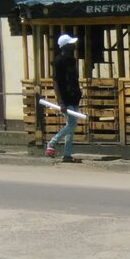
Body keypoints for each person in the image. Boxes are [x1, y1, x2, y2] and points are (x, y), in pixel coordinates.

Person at [45, 34, 82, 163]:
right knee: (72, 124)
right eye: (71, 44)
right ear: (65, 46)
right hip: (65, 98)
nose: (74, 45)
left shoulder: (72, 60)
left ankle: (67, 154)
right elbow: (55, 82)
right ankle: (52, 143)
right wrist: (60, 102)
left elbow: (74, 79)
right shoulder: (58, 61)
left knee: (70, 127)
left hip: (74, 97)